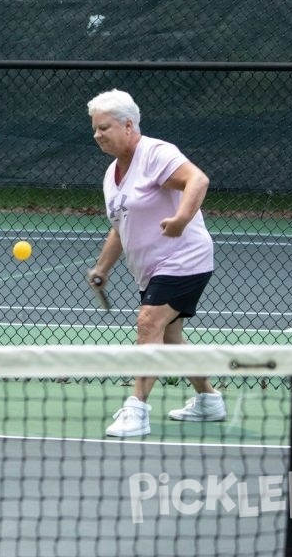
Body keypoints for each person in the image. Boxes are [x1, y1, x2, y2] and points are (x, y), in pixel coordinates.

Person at [85, 89, 224, 438]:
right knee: (170, 334)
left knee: (149, 322)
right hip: (150, 269)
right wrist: (102, 268)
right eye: (95, 129)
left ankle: (137, 409)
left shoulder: (156, 154)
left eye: (104, 128)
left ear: (128, 125)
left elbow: (198, 179)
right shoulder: (111, 176)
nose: (97, 135)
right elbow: (121, 226)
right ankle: (209, 400)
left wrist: (180, 218)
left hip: (184, 258)